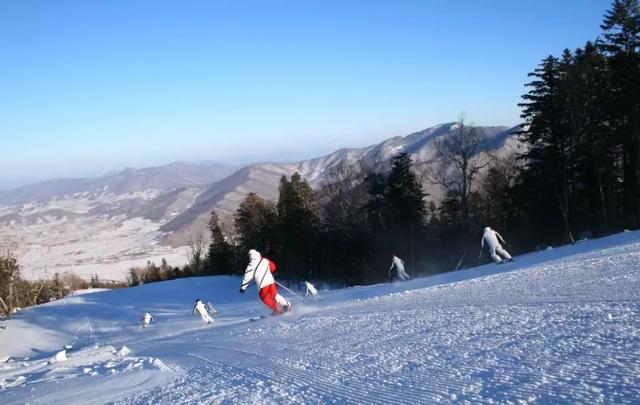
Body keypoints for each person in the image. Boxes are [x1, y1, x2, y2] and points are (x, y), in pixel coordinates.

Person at [240, 249, 292, 314]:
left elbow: (247, 276)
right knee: (274, 295)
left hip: (263, 284)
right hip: (271, 281)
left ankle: (277, 310)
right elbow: (273, 267)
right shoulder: (264, 260)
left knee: (264, 298)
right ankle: (287, 305)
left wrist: (243, 287)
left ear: (250, 257)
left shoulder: (251, 265)